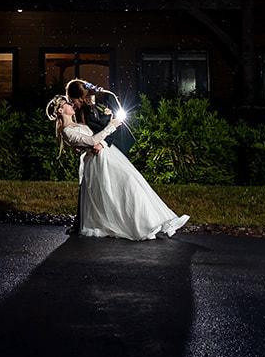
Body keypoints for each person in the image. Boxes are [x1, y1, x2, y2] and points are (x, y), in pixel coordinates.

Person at [49, 79, 188, 240]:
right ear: (61, 110)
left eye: (71, 100)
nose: (72, 104)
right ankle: (131, 224)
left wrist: (104, 133)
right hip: (98, 158)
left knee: (131, 183)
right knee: (114, 191)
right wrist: (109, 127)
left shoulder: (90, 109)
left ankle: (152, 220)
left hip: (108, 152)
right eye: (68, 103)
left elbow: (98, 131)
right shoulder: (71, 126)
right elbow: (91, 139)